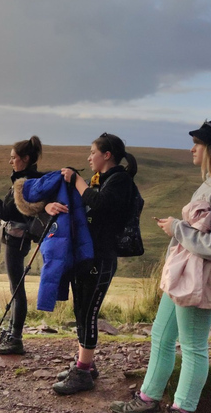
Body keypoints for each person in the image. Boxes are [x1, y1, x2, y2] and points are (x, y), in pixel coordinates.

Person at [110, 119, 211, 413]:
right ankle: (149, 398)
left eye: (199, 143)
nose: (192, 148)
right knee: (161, 336)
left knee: (192, 347)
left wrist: (176, 228)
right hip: (183, 275)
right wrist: (178, 228)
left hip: (200, 279)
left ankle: (183, 411)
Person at [51, 133, 137, 395]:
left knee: (88, 313)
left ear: (106, 155)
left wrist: (77, 180)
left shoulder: (120, 180)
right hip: (88, 257)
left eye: (92, 152)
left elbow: (99, 204)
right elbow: (84, 206)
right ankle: (85, 365)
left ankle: (83, 373)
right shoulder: (102, 180)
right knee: (81, 310)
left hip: (102, 258)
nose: (89, 157)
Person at [0, 136, 45, 355]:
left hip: (17, 239)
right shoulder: (28, 179)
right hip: (19, 238)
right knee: (16, 286)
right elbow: (8, 208)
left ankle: (16, 337)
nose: (10, 161)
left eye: (13, 158)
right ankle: (13, 334)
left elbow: (5, 212)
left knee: (16, 287)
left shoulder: (24, 182)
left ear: (26, 158)